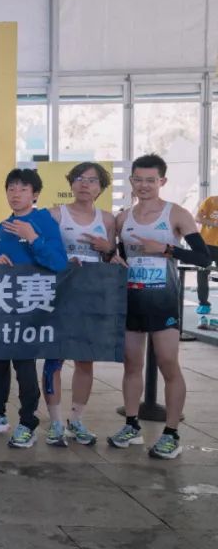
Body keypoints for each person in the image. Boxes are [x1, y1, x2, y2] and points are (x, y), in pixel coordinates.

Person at [109, 154, 211, 459]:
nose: (144, 185)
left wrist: (166, 249)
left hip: (164, 302)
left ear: (162, 181)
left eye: (150, 180)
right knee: (131, 364)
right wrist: (111, 256)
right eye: (138, 179)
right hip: (132, 301)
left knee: (168, 364)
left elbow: (204, 258)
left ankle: (171, 433)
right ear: (131, 181)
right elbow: (118, 256)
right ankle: (131, 425)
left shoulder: (176, 214)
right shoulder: (123, 218)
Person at [0, 169, 67, 448]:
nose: (16, 194)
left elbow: (58, 263)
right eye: (11, 188)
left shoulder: (43, 222)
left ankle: (28, 422)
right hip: (1, 307)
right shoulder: (1, 228)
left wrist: (33, 237)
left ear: (35, 194)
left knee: (24, 365)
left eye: (23, 189)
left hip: (31, 308)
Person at [43, 162, 117, 446]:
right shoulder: (54, 215)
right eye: (79, 179)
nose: (85, 184)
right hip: (60, 297)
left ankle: (76, 420)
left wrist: (108, 249)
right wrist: (64, 261)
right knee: (54, 359)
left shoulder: (107, 220)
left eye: (92, 180)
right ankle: (55, 422)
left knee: (85, 360)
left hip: (91, 298)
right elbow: (43, 252)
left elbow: (112, 260)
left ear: (101, 188)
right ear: (71, 184)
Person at [194, 193, 218, 327]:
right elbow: (197, 218)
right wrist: (213, 223)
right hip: (207, 244)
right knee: (202, 273)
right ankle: (203, 303)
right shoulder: (211, 200)